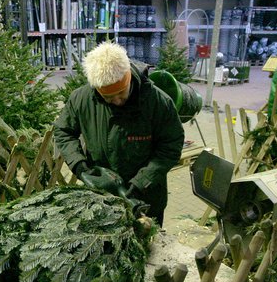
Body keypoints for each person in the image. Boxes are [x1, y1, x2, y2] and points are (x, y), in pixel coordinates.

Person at [53, 42, 184, 225]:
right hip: (101, 198)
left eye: (121, 93)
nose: (116, 101)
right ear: (96, 87)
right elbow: (63, 131)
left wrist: (142, 182)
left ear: (128, 76)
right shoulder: (81, 100)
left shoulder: (158, 102)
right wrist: (79, 166)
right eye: (108, 97)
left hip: (147, 198)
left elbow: (171, 146)